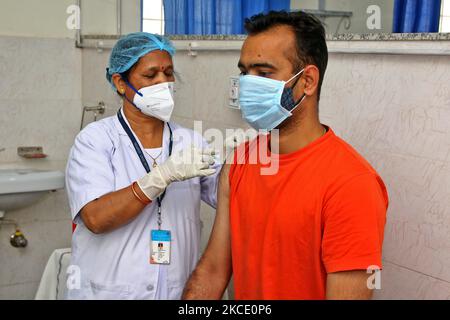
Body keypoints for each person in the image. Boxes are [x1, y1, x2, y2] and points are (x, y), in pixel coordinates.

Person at [182, 11, 388, 300]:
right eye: (244, 73)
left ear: (308, 81)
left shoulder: (351, 184)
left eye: (264, 73)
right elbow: (214, 270)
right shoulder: (241, 161)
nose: (247, 86)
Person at [65, 32, 221, 300]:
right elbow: (96, 218)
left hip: (176, 289)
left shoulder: (190, 141)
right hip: (109, 292)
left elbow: (230, 197)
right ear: (120, 83)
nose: (163, 82)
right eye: (151, 76)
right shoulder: (95, 140)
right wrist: (161, 176)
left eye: (168, 73)